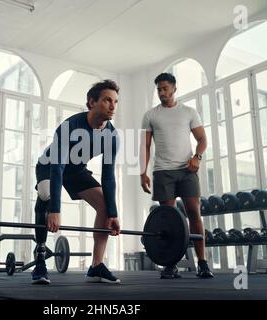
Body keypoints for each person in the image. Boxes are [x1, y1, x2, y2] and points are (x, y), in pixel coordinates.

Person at [32, 80, 121, 284]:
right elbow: (57, 168)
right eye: (107, 100)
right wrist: (55, 209)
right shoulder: (69, 126)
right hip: (50, 166)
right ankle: (40, 259)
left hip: (76, 171)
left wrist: (114, 214)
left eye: (116, 101)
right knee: (46, 194)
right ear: (92, 102)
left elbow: (108, 177)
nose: (113, 106)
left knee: (106, 207)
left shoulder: (112, 136)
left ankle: (96, 266)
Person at [139, 73, 214, 279]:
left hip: (187, 170)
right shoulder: (150, 115)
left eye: (165, 88)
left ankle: (202, 262)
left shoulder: (188, 112)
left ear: (174, 88)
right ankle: (170, 264)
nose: (162, 92)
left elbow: (202, 139)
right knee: (168, 219)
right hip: (162, 171)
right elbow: (145, 146)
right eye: (159, 89)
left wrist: (197, 157)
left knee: (193, 212)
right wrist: (142, 172)